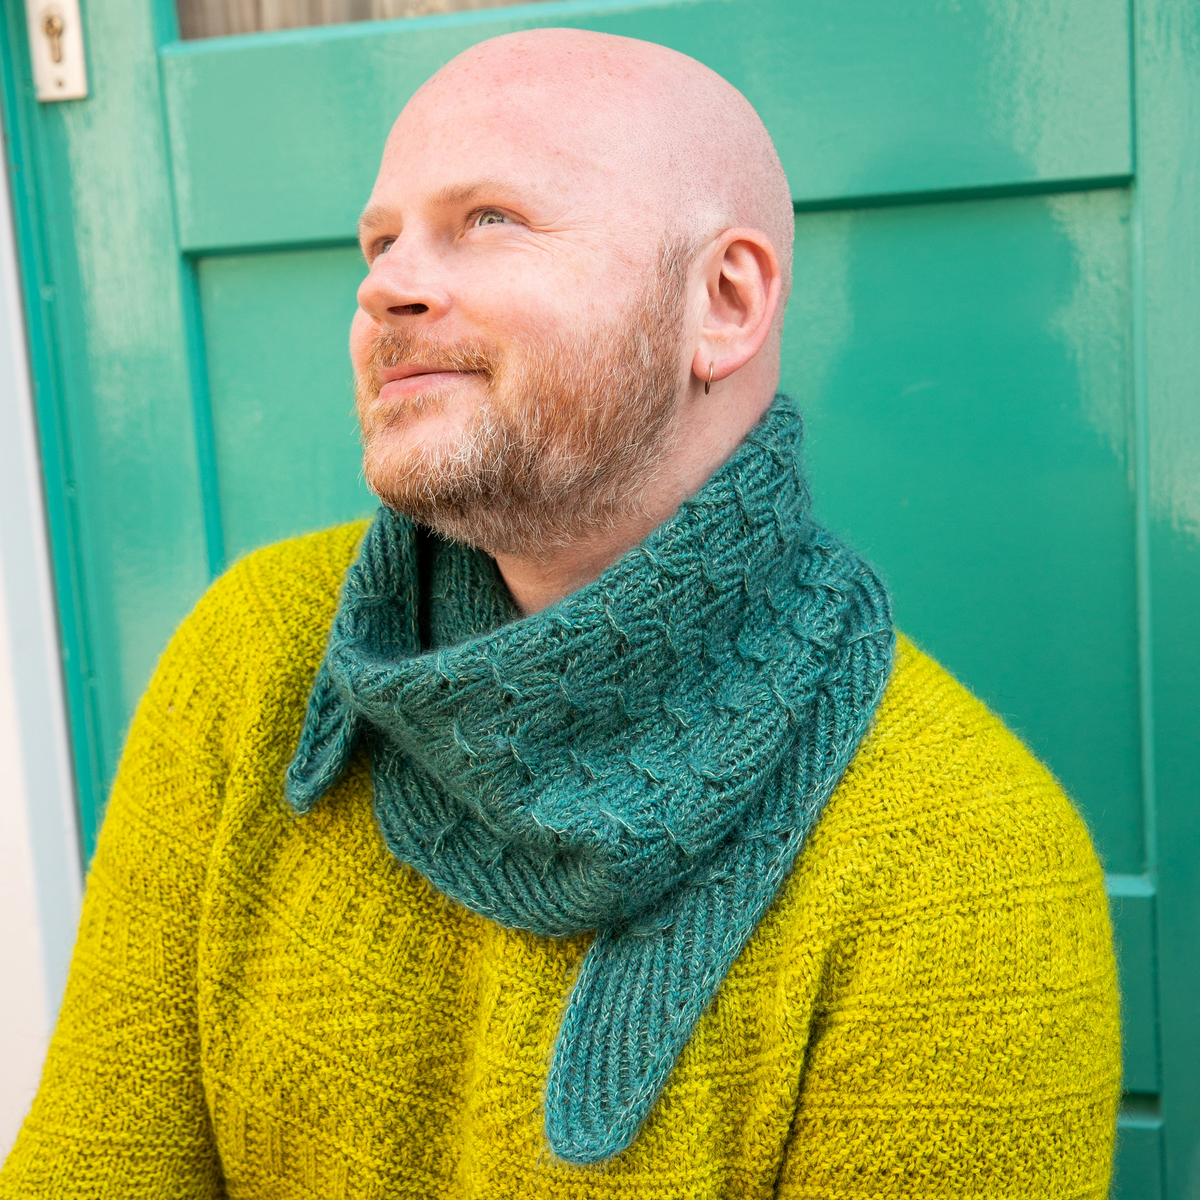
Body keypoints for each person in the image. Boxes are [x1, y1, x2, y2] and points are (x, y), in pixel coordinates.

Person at [1, 28, 1120, 1199]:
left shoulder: (969, 875)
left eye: (489, 219)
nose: (386, 282)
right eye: (381, 241)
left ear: (724, 303)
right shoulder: (258, 654)